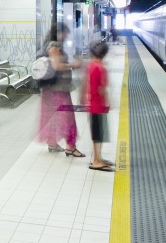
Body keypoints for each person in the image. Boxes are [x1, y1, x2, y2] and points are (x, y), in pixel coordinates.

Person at [38, 22, 85, 158]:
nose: (66, 36)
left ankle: (52, 144)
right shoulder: (54, 46)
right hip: (57, 89)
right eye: (64, 33)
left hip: (50, 89)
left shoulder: (49, 44)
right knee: (67, 117)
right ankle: (71, 147)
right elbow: (57, 66)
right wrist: (73, 65)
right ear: (58, 33)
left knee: (51, 116)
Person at [85, 41, 113, 171]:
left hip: (94, 104)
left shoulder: (92, 65)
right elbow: (101, 88)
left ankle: (98, 157)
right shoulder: (100, 68)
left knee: (98, 134)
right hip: (98, 105)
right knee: (97, 135)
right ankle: (96, 160)